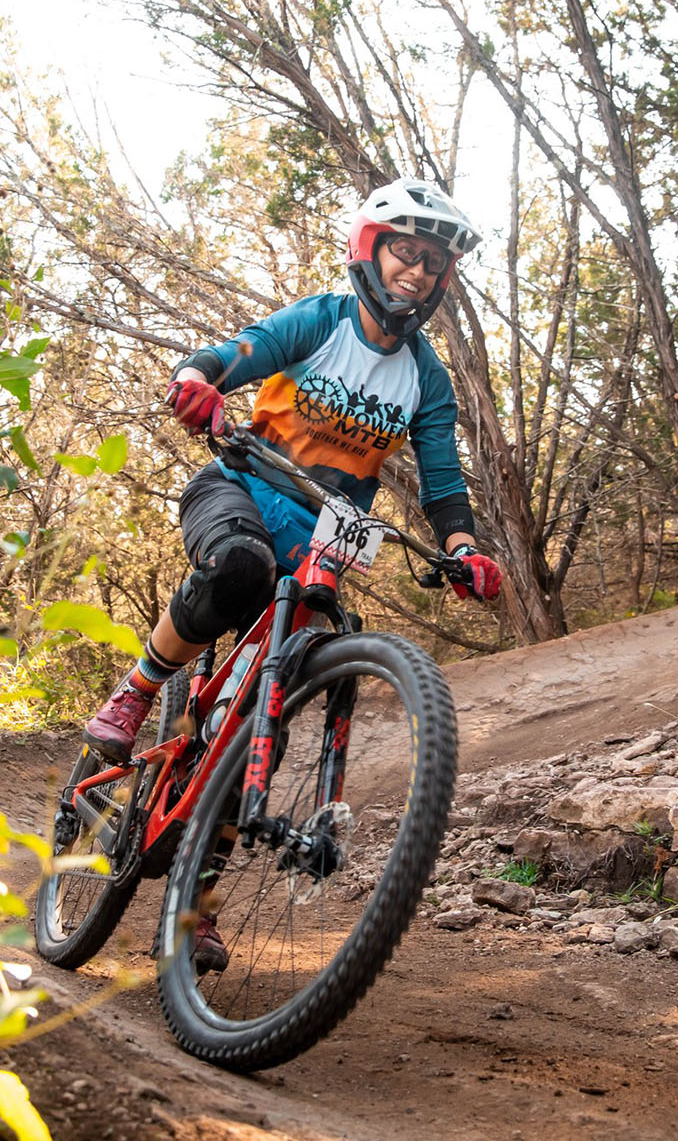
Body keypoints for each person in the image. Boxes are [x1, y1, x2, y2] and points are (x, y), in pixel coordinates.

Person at [83, 178, 504, 972]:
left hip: (323, 538)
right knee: (236, 569)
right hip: (242, 488)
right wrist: (201, 380)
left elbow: (444, 482)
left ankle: (193, 912)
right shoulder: (324, 319)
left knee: (261, 730)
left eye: (432, 264)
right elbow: (242, 351)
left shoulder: (427, 378)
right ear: (369, 251)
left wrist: (463, 548)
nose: (416, 272)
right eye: (405, 254)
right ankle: (140, 688)